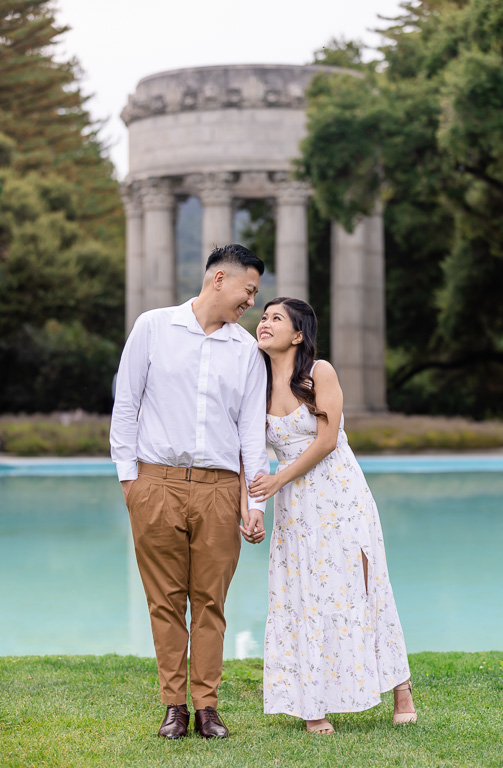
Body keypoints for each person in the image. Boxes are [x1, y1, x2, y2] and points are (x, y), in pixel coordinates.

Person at [110, 244, 269, 740]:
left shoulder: (246, 350)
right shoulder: (152, 327)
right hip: (155, 484)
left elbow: (250, 434)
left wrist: (254, 501)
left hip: (220, 490)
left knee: (210, 602)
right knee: (164, 601)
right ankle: (173, 705)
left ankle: (207, 707)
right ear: (219, 279)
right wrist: (130, 480)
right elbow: (125, 406)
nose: (251, 302)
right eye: (249, 290)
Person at [249, 297, 416, 735]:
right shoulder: (256, 382)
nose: (264, 323)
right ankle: (312, 703)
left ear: (298, 333)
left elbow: (325, 442)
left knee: (363, 584)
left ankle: (401, 686)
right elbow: (246, 449)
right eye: (263, 316)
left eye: (275, 318)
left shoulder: (319, 371)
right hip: (295, 507)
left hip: (340, 493)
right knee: (302, 594)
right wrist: (254, 504)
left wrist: (277, 479)